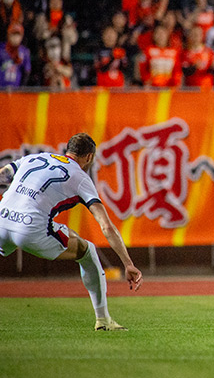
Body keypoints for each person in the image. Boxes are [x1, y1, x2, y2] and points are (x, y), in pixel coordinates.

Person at [0, 133, 142, 330]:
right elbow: (106, 226)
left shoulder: (35, 158)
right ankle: (103, 320)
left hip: (2, 220)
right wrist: (128, 263)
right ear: (89, 157)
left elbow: (3, 175)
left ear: (69, 150)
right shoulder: (80, 178)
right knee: (87, 250)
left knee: (70, 234)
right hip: (29, 229)